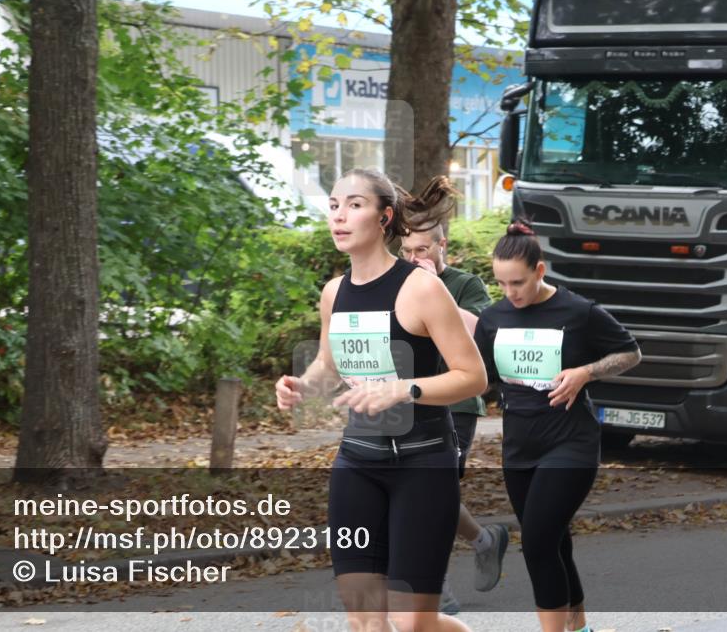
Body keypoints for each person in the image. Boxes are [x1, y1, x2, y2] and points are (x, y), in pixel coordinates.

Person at [275, 170, 488, 632]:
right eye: (333, 205)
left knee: (413, 623)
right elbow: (331, 366)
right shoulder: (334, 292)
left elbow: (473, 378)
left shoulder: (421, 288)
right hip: (357, 464)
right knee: (365, 620)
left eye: (354, 205)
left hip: (422, 466)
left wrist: (404, 388)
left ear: (384, 216)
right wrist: (302, 386)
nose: (339, 216)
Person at [472, 218, 642, 632]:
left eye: (518, 283)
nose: (510, 293)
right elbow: (482, 378)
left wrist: (585, 371)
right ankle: (580, 627)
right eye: (501, 284)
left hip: (571, 443)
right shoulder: (493, 319)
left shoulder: (578, 311)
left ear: (540, 271)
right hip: (519, 447)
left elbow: (630, 353)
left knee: (537, 542)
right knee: (555, 541)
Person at [399, 218, 509, 615]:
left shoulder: (466, 285)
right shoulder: (397, 281)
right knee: (424, 492)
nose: (413, 259)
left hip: (457, 403)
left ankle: (434, 586)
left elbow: (482, 333)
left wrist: (435, 290)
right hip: (406, 400)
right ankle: (484, 541)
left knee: (430, 492)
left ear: (442, 245)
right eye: (406, 252)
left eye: (422, 251)